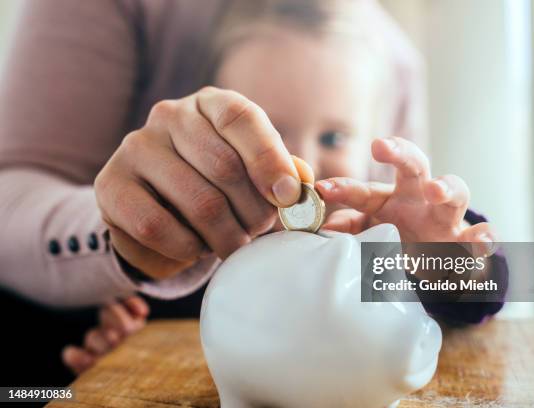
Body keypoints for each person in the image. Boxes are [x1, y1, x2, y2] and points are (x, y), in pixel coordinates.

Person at [0, 0, 507, 380]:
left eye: (334, 136)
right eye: (271, 133)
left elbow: (486, 293)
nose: (301, 162)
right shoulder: (191, 258)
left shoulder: (371, 243)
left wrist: (446, 261)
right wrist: (124, 340)